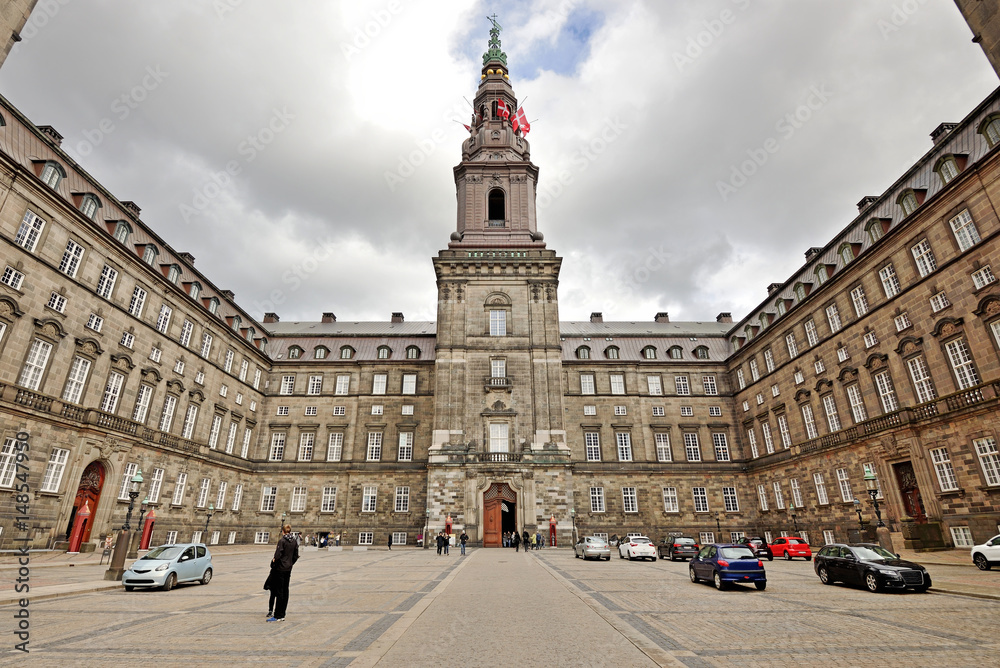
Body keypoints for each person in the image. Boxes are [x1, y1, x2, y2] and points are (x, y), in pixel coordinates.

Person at [267, 524, 299, 622]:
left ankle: (277, 615)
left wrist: (274, 562)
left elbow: (277, 555)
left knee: (279, 592)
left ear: (283, 531)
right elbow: (296, 555)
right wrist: (290, 564)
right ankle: (282, 614)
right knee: (285, 591)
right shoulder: (294, 541)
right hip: (288, 569)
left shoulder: (282, 541)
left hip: (280, 569)